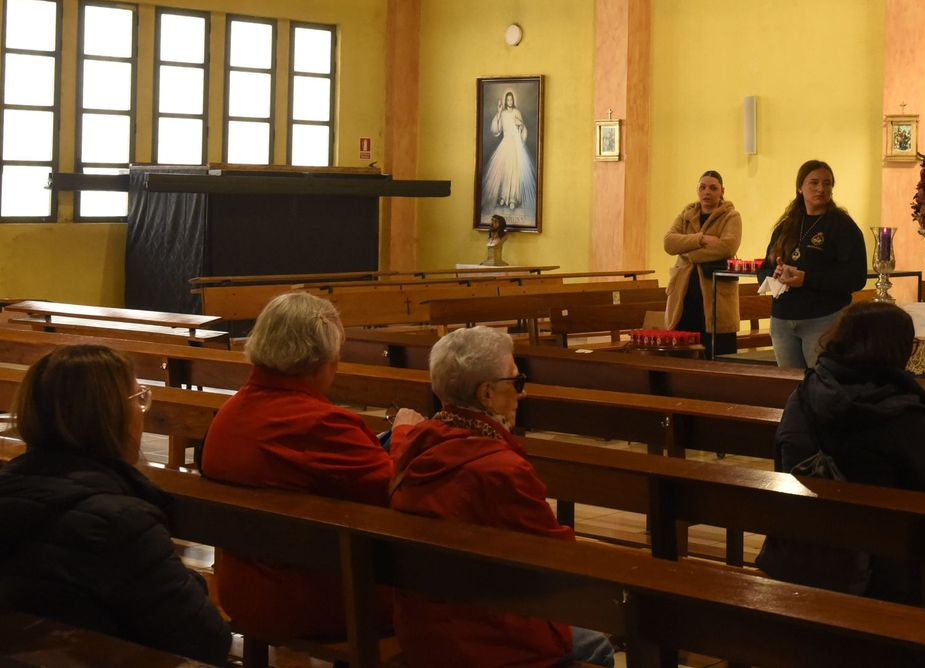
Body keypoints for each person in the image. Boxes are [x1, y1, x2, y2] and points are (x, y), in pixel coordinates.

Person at [202, 291, 425, 642]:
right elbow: (397, 491)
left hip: (242, 589)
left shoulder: (230, 413)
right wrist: (405, 434)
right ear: (320, 358)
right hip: (314, 601)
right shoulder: (319, 424)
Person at [390, 327, 615, 668]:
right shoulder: (500, 470)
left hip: (421, 630)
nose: (523, 393)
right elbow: (559, 559)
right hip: (482, 642)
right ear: (486, 394)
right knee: (598, 645)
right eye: (516, 381)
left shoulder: (413, 446)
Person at [0, 345, 232, 665]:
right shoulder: (123, 523)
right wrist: (192, 583)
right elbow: (208, 641)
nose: (142, 411)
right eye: (138, 399)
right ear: (112, 418)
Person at [761, 301, 925, 609]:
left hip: (802, 551)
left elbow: (785, 463)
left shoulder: (804, 394)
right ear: (895, 350)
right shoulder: (900, 412)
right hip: (883, 571)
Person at [757, 160, 868, 369]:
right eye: (814, 183)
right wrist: (776, 274)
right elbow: (764, 269)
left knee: (821, 381)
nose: (821, 189)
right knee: (789, 383)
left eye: (827, 183)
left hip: (823, 318)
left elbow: (856, 277)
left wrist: (806, 279)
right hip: (782, 319)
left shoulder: (842, 226)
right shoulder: (786, 225)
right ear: (800, 187)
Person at [662, 170, 743, 356]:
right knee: (682, 354)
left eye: (713, 188)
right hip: (684, 294)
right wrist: (701, 239)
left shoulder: (731, 216)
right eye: (702, 187)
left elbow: (727, 247)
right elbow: (669, 243)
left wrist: (687, 251)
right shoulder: (686, 214)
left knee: (718, 356)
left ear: (722, 191)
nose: (707, 192)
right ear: (697, 190)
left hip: (716, 296)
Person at [482, 89, 539, 227]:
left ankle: (512, 198)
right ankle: (503, 197)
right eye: (507, 100)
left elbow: (523, 128)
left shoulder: (517, 112)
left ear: (513, 100)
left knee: (514, 171)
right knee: (504, 170)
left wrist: (520, 126)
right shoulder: (502, 113)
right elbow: (496, 130)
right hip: (505, 143)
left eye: (511, 99)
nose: (509, 101)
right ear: (505, 101)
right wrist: (499, 112)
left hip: (515, 144)